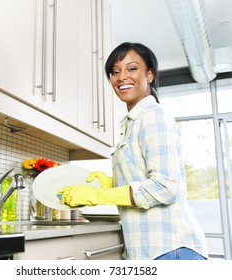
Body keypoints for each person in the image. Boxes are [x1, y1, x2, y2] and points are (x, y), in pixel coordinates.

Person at [57, 42, 208, 260]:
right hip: (150, 252)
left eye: (132, 68)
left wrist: (98, 195)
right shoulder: (131, 123)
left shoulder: (153, 116)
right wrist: (111, 183)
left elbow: (165, 187)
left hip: (172, 251)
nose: (121, 77)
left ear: (149, 74)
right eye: (115, 72)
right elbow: (142, 178)